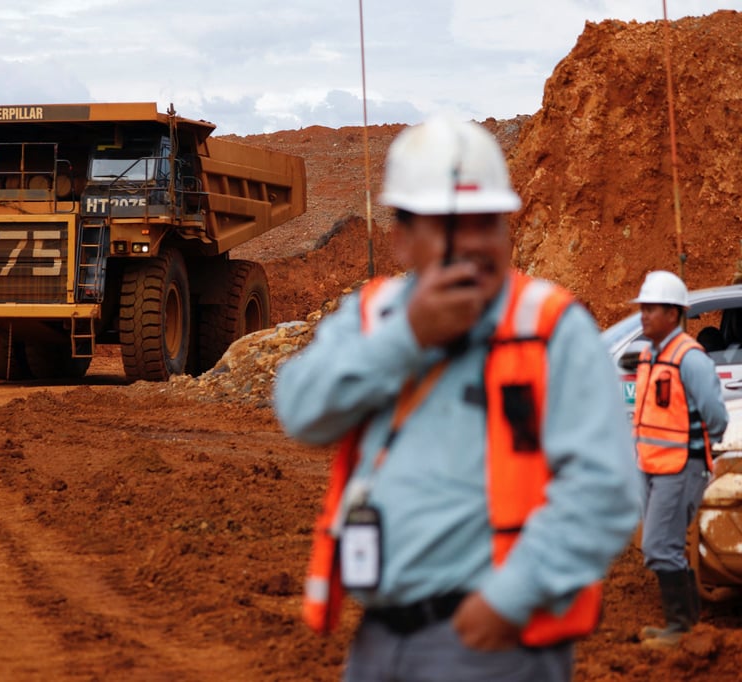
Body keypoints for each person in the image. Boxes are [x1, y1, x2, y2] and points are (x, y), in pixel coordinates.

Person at [273, 115, 642, 681]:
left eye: (487, 222)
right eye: (451, 225)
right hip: (378, 639)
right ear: (402, 239)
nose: (473, 243)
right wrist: (408, 337)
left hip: (489, 644)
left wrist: (508, 600)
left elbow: (606, 489)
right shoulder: (377, 318)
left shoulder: (548, 326)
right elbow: (302, 412)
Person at [631, 270, 728, 650]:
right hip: (654, 467)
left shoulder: (690, 359)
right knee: (666, 544)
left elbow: (716, 416)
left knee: (658, 545)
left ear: (673, 314)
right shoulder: (649, 355)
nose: (643, 316)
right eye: (642, 309)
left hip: (680, 468)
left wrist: (700, 459)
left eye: (650, 309)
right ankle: (686, 627)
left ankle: (681, 628)